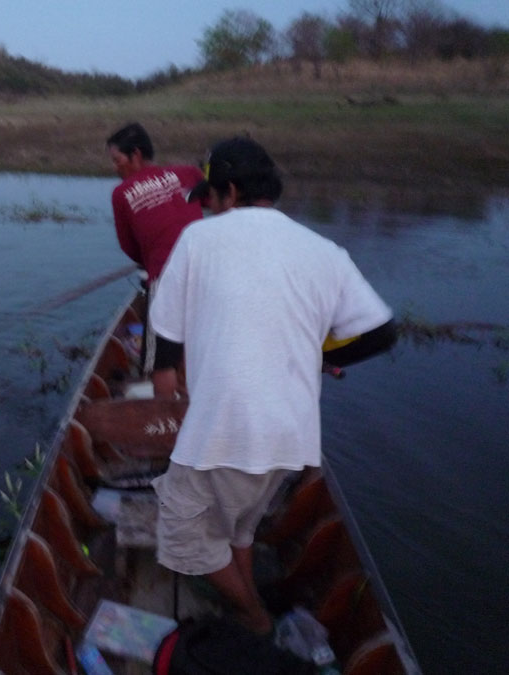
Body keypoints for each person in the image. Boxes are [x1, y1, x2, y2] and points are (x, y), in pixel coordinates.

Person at [148, 136, 397, 635]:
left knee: (182, 530)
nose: (210, 210)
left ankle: (254, 618)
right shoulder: (323, 250)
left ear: (231, 191)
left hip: (228, 431)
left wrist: (166, 383)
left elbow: (168, 335)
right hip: (292, 440)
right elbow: (382, 331)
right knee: (239, 524)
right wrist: (323, 358)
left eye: (212, 198)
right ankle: (249, 591)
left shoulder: (198, 240)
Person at [106, 123, 204, 393]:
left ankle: (163, 426)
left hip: (166, 280)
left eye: (117, 160)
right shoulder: (188, 173)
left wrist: (149, 262)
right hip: (207, 275)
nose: (115, 168)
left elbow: (129, 247)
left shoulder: (121, 193)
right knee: (196, 348)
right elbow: (214, 204)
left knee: (161, 363)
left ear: (136, 154)